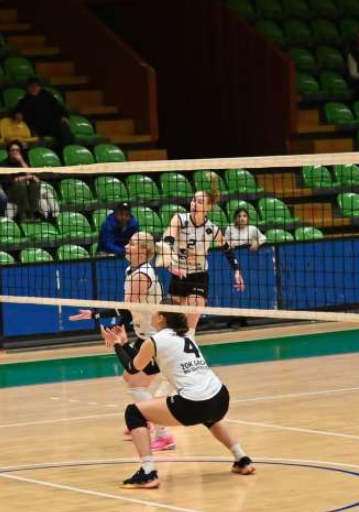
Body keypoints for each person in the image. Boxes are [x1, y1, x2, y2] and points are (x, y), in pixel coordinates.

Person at [101, 305, 255, 488]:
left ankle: (148, 472)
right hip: (220, 398)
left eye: (155, 312)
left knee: (133, 413)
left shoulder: (156, 340)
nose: (152, 314)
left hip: (194, 403)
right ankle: (242, 459)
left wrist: (117, 344)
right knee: (209, 416)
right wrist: (125, 344)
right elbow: (149, 368)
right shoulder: (184, 336)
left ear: (161, 318)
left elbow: (133, 368)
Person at [71, 232, 178, 452]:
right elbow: (131, 312)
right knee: (131, 378)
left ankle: (163, 434)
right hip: (144, 335)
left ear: (144, 251)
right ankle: (147, 419)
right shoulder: (132, 270)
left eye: (132, 243)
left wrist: (95, 315)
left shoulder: (142, 275)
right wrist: (117, 325)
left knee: (136, 382)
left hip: (156, 339)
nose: (127, 246)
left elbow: (126, 308)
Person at [159, 182, 246, 337]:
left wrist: (237, 271)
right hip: (179, 275)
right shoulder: (179, 219)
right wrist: (170, 264)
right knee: (173, 325)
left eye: (199, 202)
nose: (194, 204)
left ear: (208, 207)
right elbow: (168, 241)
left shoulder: (212, 229)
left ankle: (190, 348)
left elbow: (227, 249)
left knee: (190, 329)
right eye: (193, 200)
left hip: (199, 276)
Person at [14, 78, 73, 150]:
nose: (34, 88)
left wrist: (64, 116)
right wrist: (17, 113)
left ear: (40, 87)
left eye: (37, 86)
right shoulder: (24, 100)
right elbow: (15, 110)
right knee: (63, 132)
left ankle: (69, 150)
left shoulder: (47, 96)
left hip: (53, 124)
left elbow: (59, 108)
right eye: (31, 86)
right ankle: (68, 150)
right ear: (28, 88)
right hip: (39, 127)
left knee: (63, 126)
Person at [2, 140, 42, 222]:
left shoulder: (23, 163)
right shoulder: (3, 164)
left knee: (35, 184)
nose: (15, 152)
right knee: (21, 184)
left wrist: (21, 161)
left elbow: (32, 176)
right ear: (8, 152)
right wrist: (27, 177)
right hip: (9, 193)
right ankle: (23, 215)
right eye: (13, 150)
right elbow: (12, 181)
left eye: (17, 150)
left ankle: (34, 212)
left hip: (24, 192)